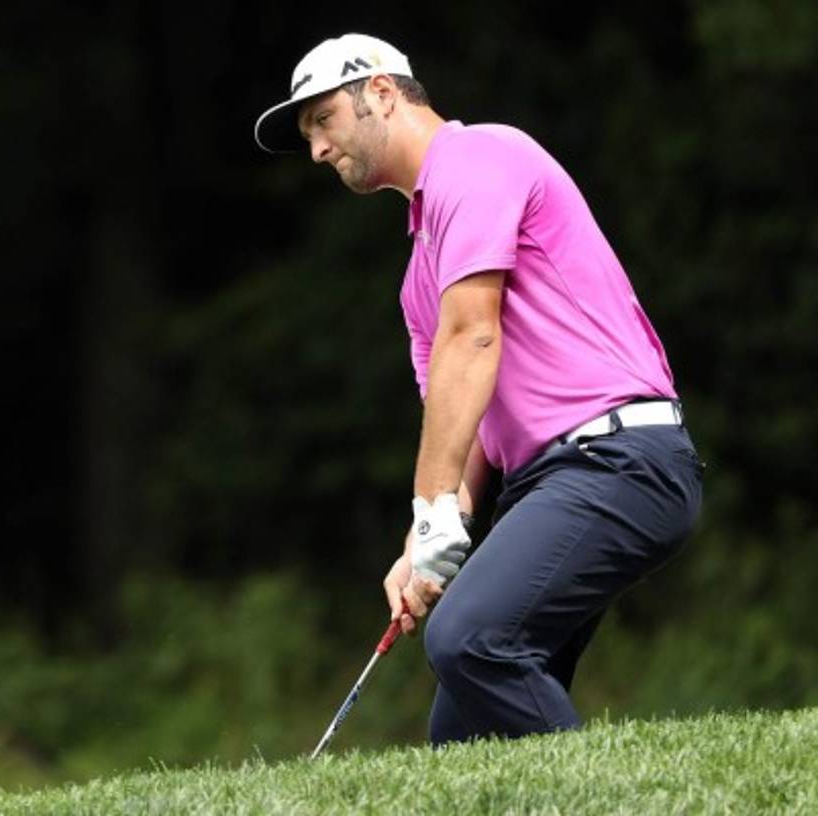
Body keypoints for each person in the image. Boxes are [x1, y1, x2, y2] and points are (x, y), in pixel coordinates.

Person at [254, 33, 703, 745]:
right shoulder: (417, 281)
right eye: (308, 134)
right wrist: (424, 539)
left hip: (621, 457)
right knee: (464, 738)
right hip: (553, 479)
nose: (316, 149)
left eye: (323, 120)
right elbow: (460, 421)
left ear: (381, 91)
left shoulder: (481, 157)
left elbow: (474, 338)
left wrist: (429, 506)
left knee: (468, 640)